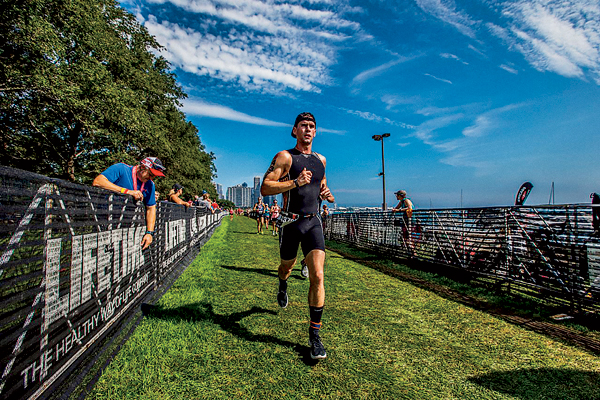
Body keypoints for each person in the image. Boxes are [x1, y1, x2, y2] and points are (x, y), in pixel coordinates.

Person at [261, 112, 335, 360]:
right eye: (303, 126)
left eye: (312, 126)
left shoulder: (321, 159)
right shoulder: (285, 157)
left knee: (318, 274)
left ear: (316, 132)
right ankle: (282, 285)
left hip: (313, 222)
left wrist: (326, 192)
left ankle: (314, 336)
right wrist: (295, 183)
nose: (308, 129)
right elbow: (265, 187)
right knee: (286, 268)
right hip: (291, 222)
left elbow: (322, 184)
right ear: (294, 130)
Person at [92, 157, 165, 250]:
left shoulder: (150, 185)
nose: (151, 178)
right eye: (150, 174)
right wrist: (126, 191)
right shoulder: (122, 168)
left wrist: (149, 233)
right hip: (104, 226)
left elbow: (151, 208)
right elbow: (98, 181)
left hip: (127, 231)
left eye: (154, 176)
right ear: (142, 167)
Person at [392, 190, 414, 254]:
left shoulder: (406, 200)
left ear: (400, 195)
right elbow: (396, 208)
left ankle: (413, 252)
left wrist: (399, 210)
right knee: (406, 236)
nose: (396, 196)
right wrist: (395, 210)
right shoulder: (401, 202)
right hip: (406, 220)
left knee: (408, 237)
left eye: (397, 195)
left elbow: (409, 208)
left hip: (410, 220)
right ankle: (410, 252)